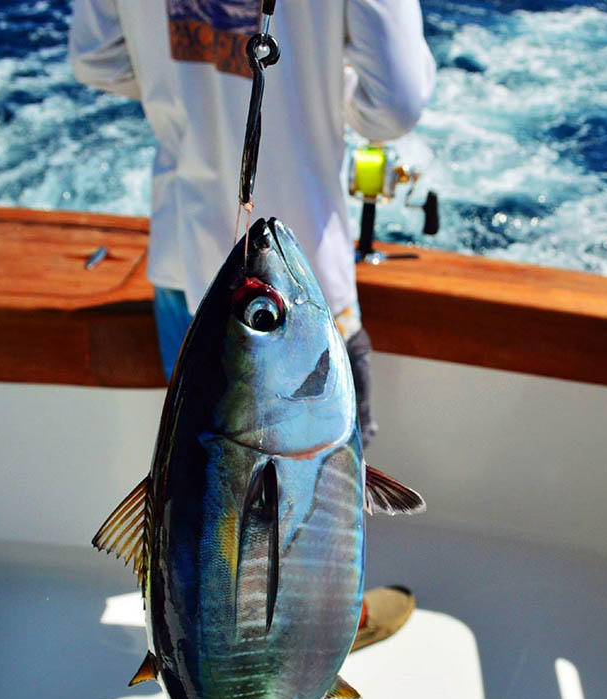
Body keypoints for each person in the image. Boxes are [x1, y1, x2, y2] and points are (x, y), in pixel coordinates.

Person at [70, 0, 434, 647]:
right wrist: (319, 84)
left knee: (205, 505)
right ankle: (325, 632)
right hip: (302, 293)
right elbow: (394, 104)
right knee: (314, 506)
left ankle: (202, 645)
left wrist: (181, 81)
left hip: (186, 271)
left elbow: (97, 60)